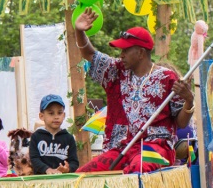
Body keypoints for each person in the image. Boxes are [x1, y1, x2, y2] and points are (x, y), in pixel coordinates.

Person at [71, 14, 192, 173]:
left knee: (137, 168)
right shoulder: (116, 71)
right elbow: (90, 54)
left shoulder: (167, 78)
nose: (121, 54)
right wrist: (79, 31)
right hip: (121, 148)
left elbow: (181, 123)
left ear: (141, 53)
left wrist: (189, 100)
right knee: (84, 175)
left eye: (126, 50)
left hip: (155, 145)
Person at [28, 94, 78, 174]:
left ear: (64, 115)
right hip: (42, 179)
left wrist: (68, 169)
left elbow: (74, 162)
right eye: (51, 113)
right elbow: (34, 159)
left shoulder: (69, 138)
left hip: (63, 179)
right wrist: (46, 169)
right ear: (41, 116)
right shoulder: (36, 136)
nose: (56, 117)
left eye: (59, 113)